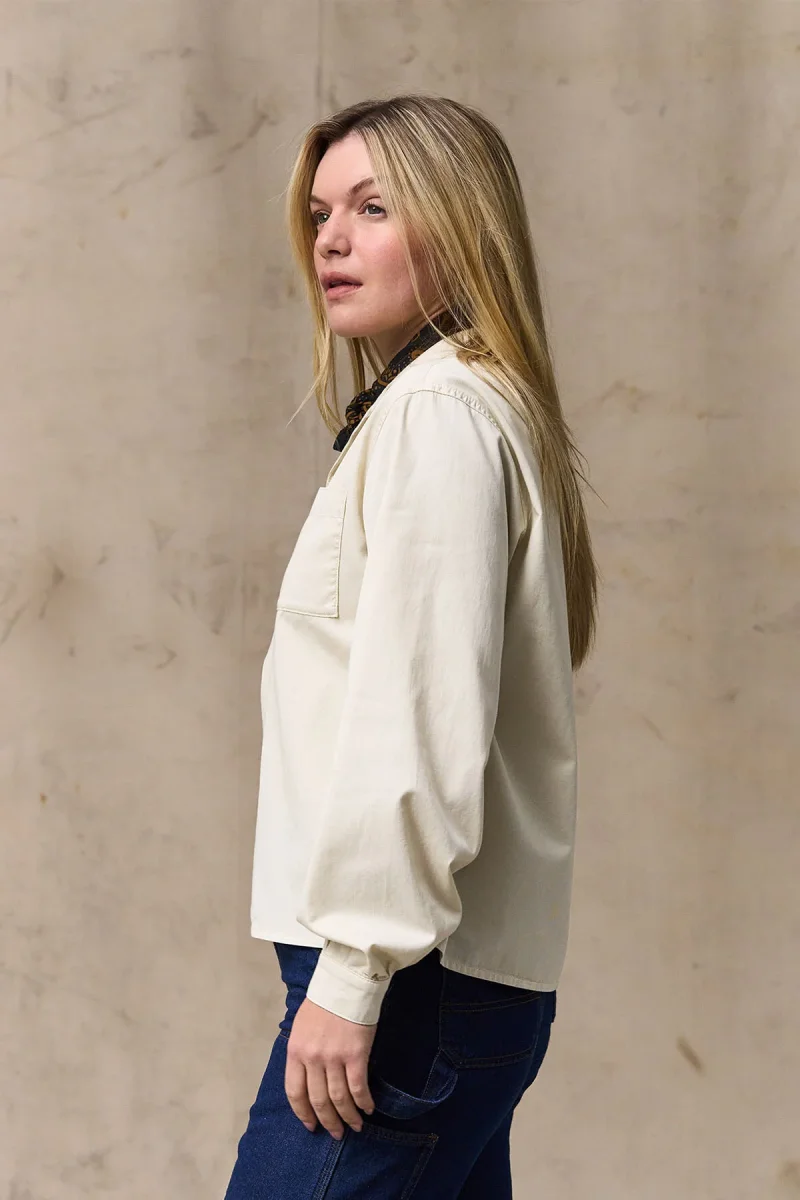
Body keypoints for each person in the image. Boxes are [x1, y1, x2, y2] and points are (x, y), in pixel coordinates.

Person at [224, 92, 598, 1199]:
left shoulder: (441, 415)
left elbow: (416, 719)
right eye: (321, 213)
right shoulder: (448, 407)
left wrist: (352, 974)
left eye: (374, 208)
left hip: (409, 986)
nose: (330, 241)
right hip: (443, 981)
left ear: (463, 225)